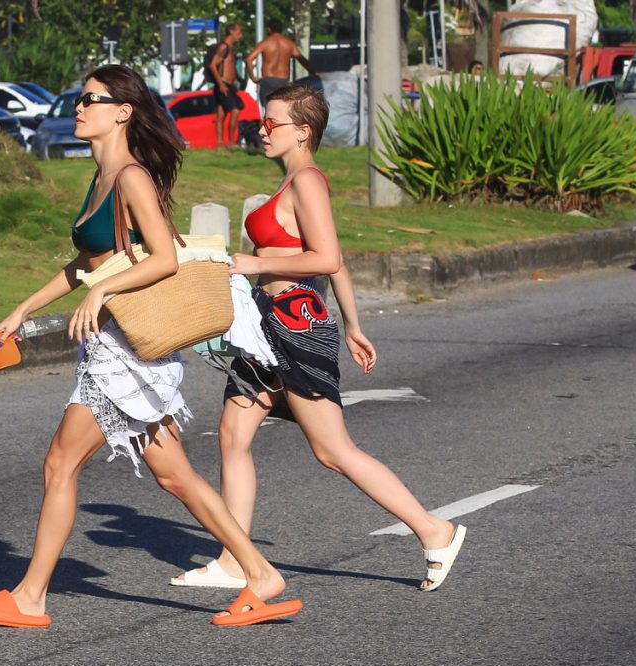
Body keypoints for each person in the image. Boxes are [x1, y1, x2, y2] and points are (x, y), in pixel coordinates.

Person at [0, 64, 302, 629]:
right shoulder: (102, 176)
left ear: (123, 111)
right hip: (119, 346)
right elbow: (88, 264)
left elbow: (164, 256)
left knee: (60, 463)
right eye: (80, 99)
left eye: (91, 100)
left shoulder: (132, 177)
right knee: (176, 477)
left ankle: (30, 597)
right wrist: (23, 310)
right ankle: (260, 574)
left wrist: (104, 292)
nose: (79, 108)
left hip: (127, 350)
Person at [171, 86, 466, 593]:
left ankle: (433, 530)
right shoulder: (292, 181)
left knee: (332, 450)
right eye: (263, 122)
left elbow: (326, 259)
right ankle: (235, 559)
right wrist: (353, 325)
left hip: (296, 324)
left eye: (273, 123)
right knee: (232, 435)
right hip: (267, 324)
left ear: (303, 131)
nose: (262, 129)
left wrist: (258, 262)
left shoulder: (307, 181)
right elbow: (338, 260)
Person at [245, 18, 319, 110]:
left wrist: (253, 78)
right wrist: (314, 73)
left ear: (269, 29)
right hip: (283, 82)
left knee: (268, 111)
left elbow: (249, 59)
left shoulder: (266, 43)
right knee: (282, 111)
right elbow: (302, 60)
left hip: (268, 81)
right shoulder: (289, 44)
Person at [208, 24, 244, 149]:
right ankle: (231, 142)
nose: (241, 35)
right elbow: (213, 65)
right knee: (235, 111)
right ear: (232, 31)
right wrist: (221, 84)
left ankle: (220, 143)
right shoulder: (224, 47)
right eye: (239, 32)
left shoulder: (229, 48)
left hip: (228, 85)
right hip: (224, 85)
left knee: (221, 115)